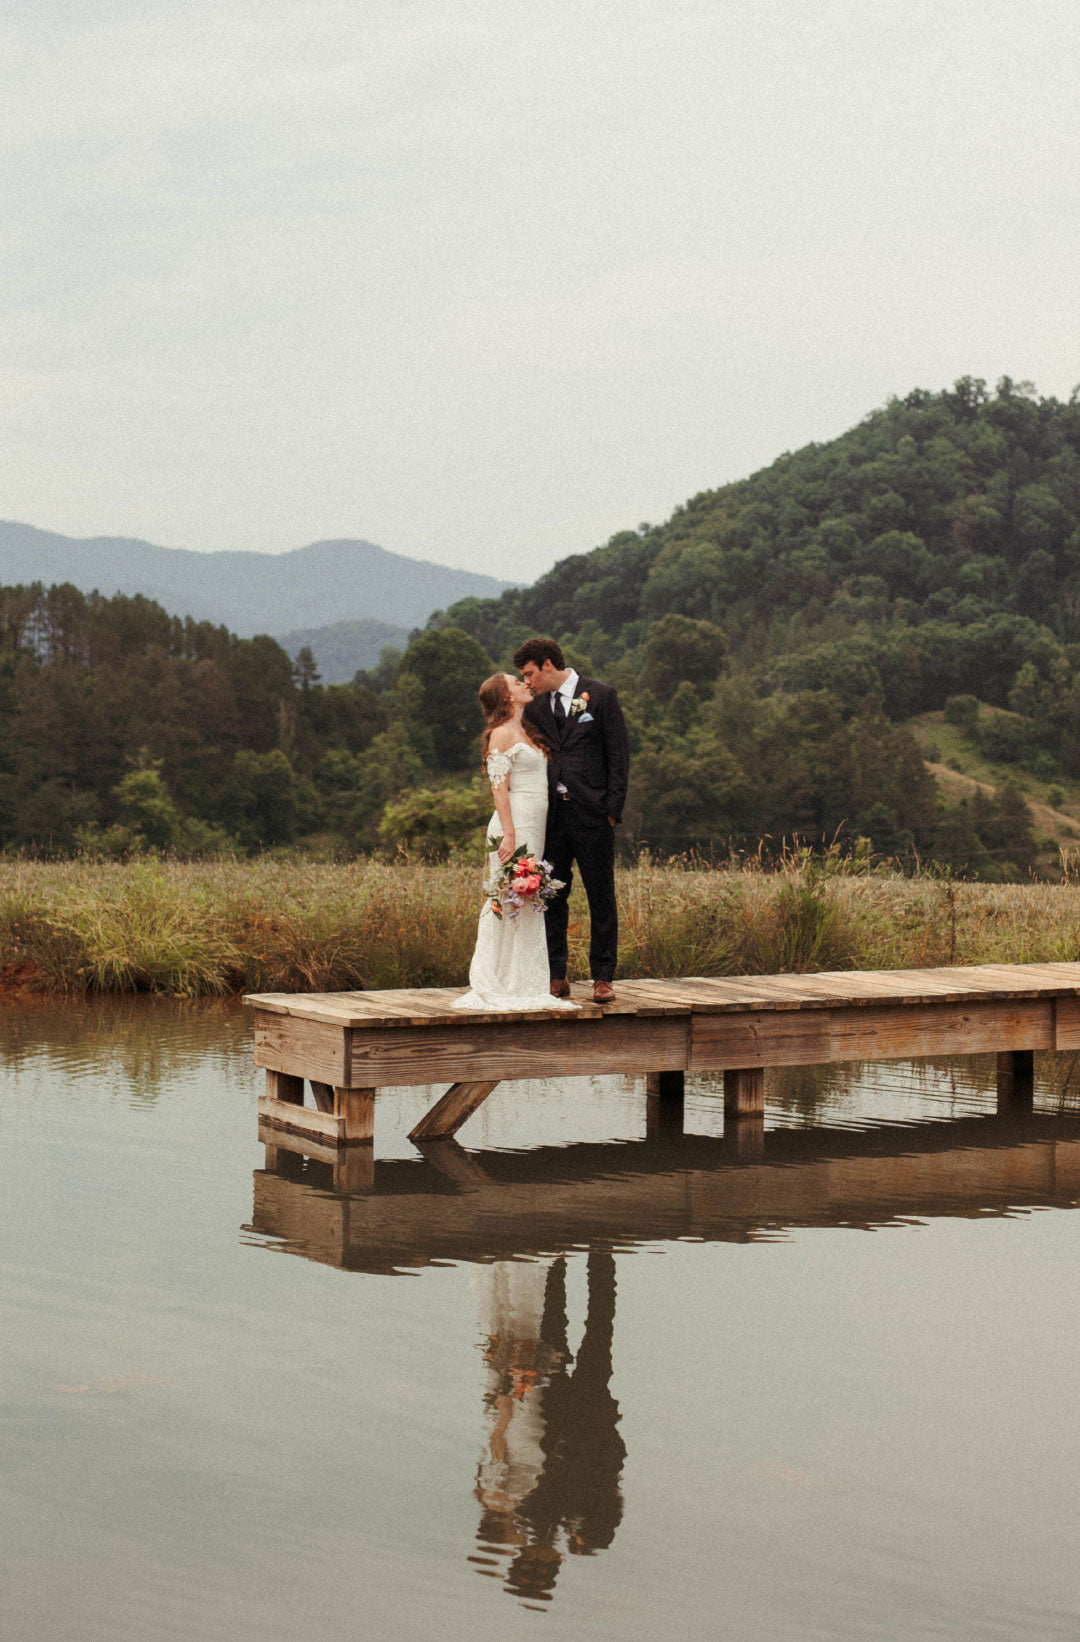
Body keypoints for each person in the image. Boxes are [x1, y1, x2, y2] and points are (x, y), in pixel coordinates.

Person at [514, 636, 630, 1004]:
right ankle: (556, 975)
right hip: (551, 817)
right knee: (552, 896)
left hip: (593, 813)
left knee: (601, 896)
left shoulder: (601, 695)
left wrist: (612, 809)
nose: (527, 682)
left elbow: (618, 754)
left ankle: (603, 978)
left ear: (548, 664)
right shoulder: (534, 708)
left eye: (530, 674)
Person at [454, 673, 579, 1013]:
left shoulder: (527, 730)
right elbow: (499, 786)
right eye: (515, 682)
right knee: (508, 896)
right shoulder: (501, 733)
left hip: (534, 825)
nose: (524, 683)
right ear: (505, 697)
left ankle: (523, 979)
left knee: (528, 896)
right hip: (515, 824)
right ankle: (497, 978)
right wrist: (509, 833)